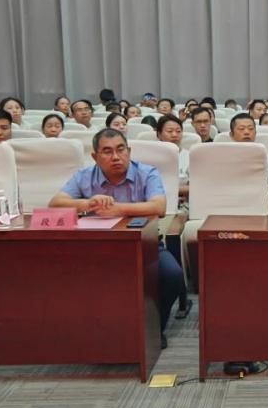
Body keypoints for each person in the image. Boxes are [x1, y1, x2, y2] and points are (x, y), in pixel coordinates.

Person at [49, 128, 186, 349]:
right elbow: (55, 204)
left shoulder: (147, 173)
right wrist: (88, 203)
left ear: (128, 151)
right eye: (107, 151)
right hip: (96, 248)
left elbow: (159, 207)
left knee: (172, 275)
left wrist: (117, 208)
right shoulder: (84, 176)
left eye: (121, 150)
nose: (116, 157)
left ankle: (153, 328)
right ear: (95, 156)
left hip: (144, 245)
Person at [228, 113, 268, 207]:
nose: (246, 132)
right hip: (227, 204)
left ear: (255, 133)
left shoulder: (267, 158)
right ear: (231, 135)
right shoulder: (223, 157)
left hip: (257, 206)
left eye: (251, 129)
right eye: (241, 129)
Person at [156, 114, 190, 200]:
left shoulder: (190, 156)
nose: (174, 135)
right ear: (159, 134)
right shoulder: (151, 157)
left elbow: (196, 186)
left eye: (178, 131)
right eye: (169, 131)